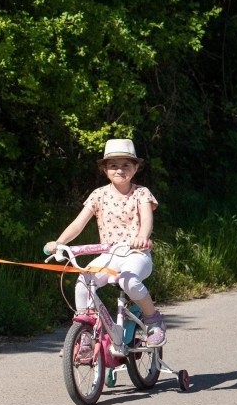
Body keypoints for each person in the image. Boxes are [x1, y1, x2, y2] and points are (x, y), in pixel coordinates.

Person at [47, 138, 166, 346]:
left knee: (128, 280)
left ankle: (153, 320)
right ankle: (85, 333)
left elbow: (147, 221)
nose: (119, 170)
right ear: (105, 170)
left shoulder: (141, 193)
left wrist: (142, 237)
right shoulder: (98, 195)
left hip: (136, 255)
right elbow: (78, 224)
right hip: (109, 256)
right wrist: (59, 242)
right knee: (84, 282)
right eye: (113, 166)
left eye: (126, 165)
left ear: (135, 168)